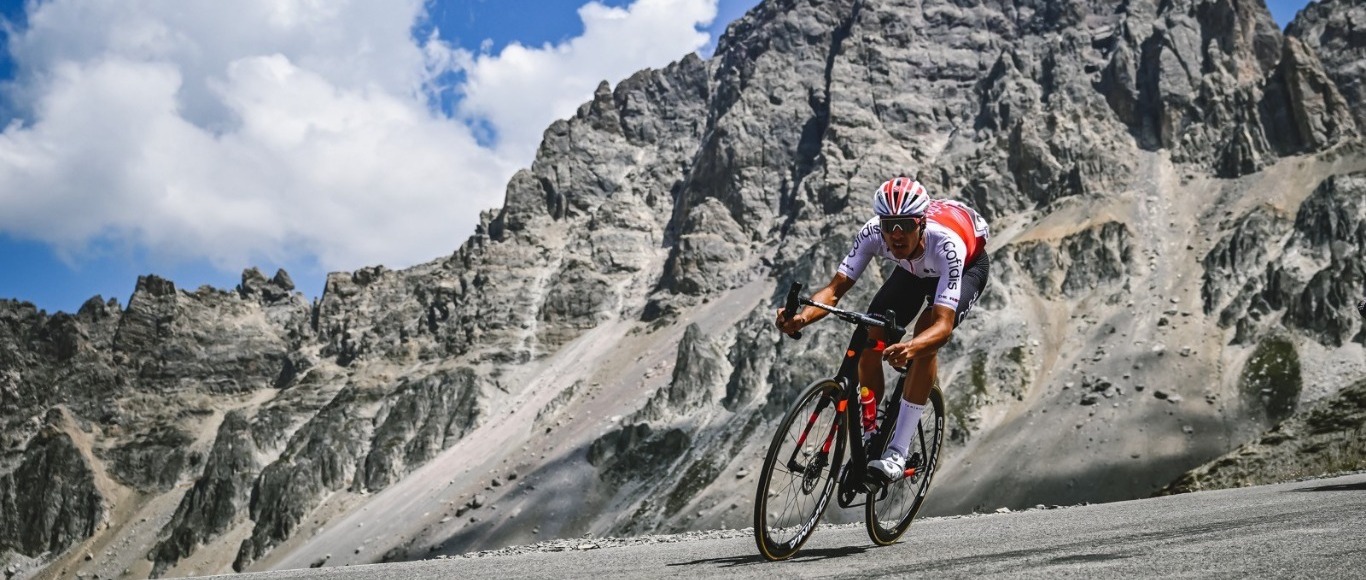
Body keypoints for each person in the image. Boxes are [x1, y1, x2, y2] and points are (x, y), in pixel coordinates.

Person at [775, 177, 991, 484]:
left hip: (966, 267)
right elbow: (834, 291)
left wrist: (913, 347)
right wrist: (802, 319)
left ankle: (897, 453)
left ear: (922, 223)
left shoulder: (947, 246)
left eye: (905, 225)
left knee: (926, 334)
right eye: (890, 225)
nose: (897, 234)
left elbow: (943, 326)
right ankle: (872, 430)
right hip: (911, 271)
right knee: (870, 335)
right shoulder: (872, 233)